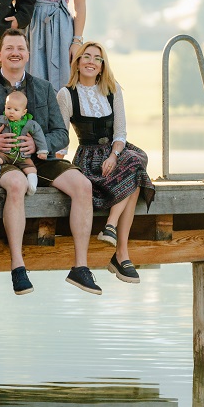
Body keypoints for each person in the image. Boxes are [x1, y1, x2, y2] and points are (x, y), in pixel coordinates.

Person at [0, 28, 101, 296]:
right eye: (9, 48)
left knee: (83, 186)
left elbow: (61, 133)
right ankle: (18, 267)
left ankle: (80, 267)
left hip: (39, 160)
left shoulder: (43, 88)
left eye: (20, 48)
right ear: (0, 54)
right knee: (17, 184)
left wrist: (38, 144)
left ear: (28, 55)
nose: (15, 53)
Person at [56, 41, 155, 284]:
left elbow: (120, 133)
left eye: (97, 59)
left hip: (116, 154)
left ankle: (111, 225)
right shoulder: (66, 94)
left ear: (102, 67)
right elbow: (61, 135)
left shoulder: (113, 90)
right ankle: (121, 254)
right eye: (86, 57)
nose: (91, 61)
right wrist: (56, 161)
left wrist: (113, 155)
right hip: (89, 159)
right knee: (135, 179)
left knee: (135, 160)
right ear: (78, 63)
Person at [0, 90, 48, 195]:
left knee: (31, 169)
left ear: (24, 112)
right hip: (5, 153)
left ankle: (32, 185)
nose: (11, 112)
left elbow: (39, 136)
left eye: (16, 110)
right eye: (8, 108)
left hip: (23, 155)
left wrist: (42, 150)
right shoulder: (0, 120)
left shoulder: (30, 124)